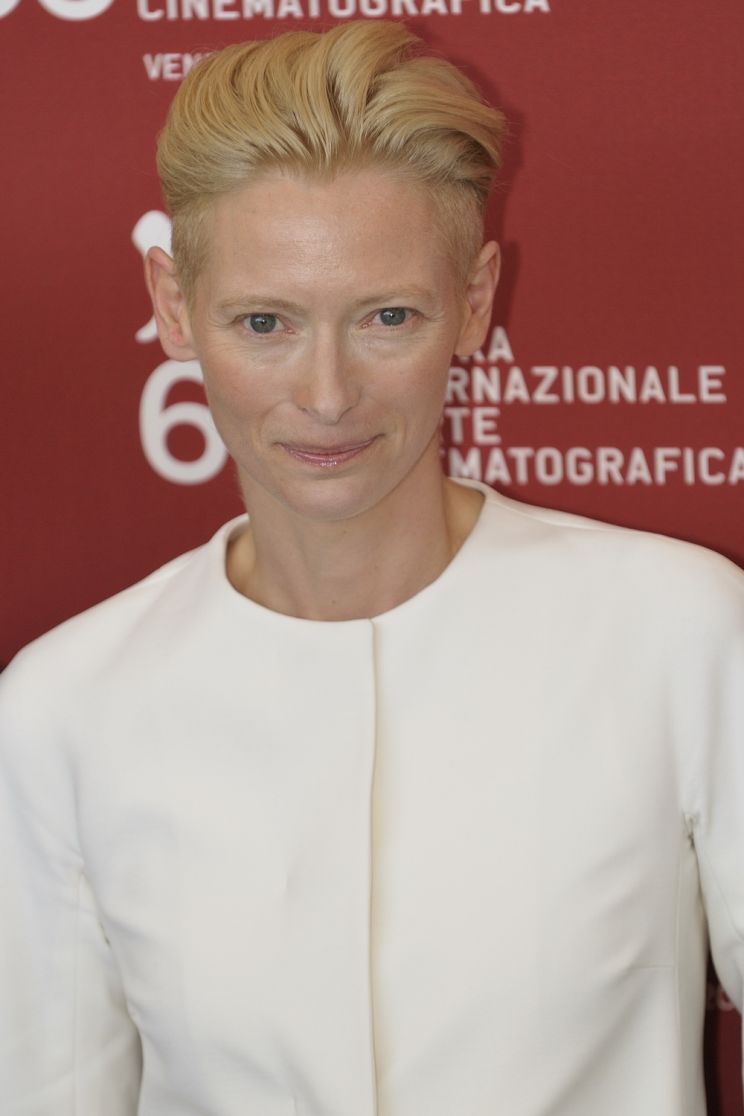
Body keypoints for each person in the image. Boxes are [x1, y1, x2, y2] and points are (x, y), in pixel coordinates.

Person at [1, 20, 742, 1116]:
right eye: (265, 322)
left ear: (475, 300)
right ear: (172, 305)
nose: (329, 394)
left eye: (388, 317)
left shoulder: (680, 632)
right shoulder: (64, 707)